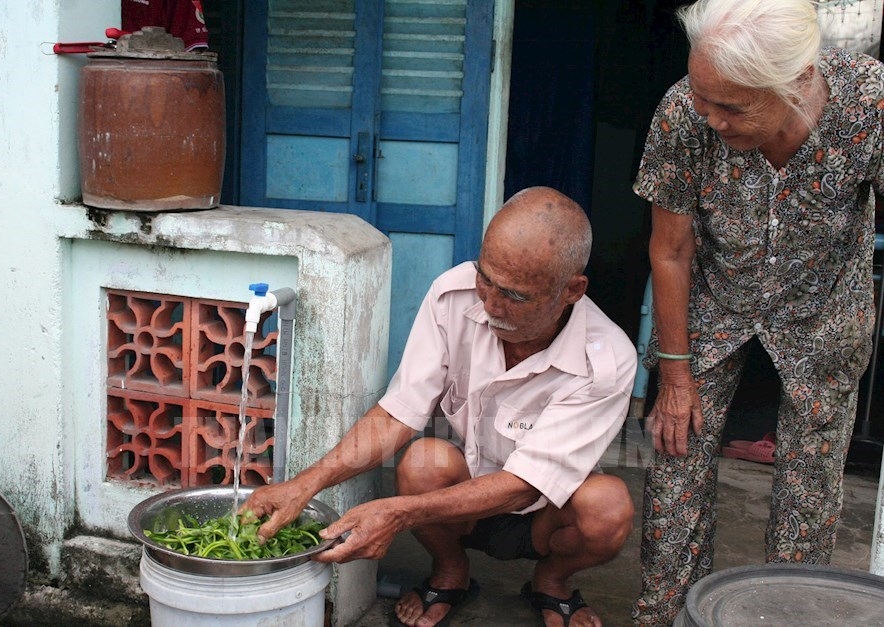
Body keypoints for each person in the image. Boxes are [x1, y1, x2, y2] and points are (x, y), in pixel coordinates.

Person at [242, 186, 638, 627]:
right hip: (456, 497)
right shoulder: (453, 294)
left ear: (573, 290)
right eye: (485, 278)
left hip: (544, 512)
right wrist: (305, 484)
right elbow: (399, 412)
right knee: (423, 462)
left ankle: (551, 581)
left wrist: (397, 513)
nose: (490, 304)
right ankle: (450, 570)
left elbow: (528, 484)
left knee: (607, 507)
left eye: (515, 296)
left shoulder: (606, 359)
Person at [630, 0, 884, 624]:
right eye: (702, 97)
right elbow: (671, 248)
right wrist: (676, 378)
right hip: (713, 304)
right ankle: (666, 617)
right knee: (675, 469)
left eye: (733, 107)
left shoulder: (869, 105)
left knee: (809, 493)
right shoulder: (682, 112)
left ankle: (789, 616)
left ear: (799, 80)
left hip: (825, 311)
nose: (710, 118)